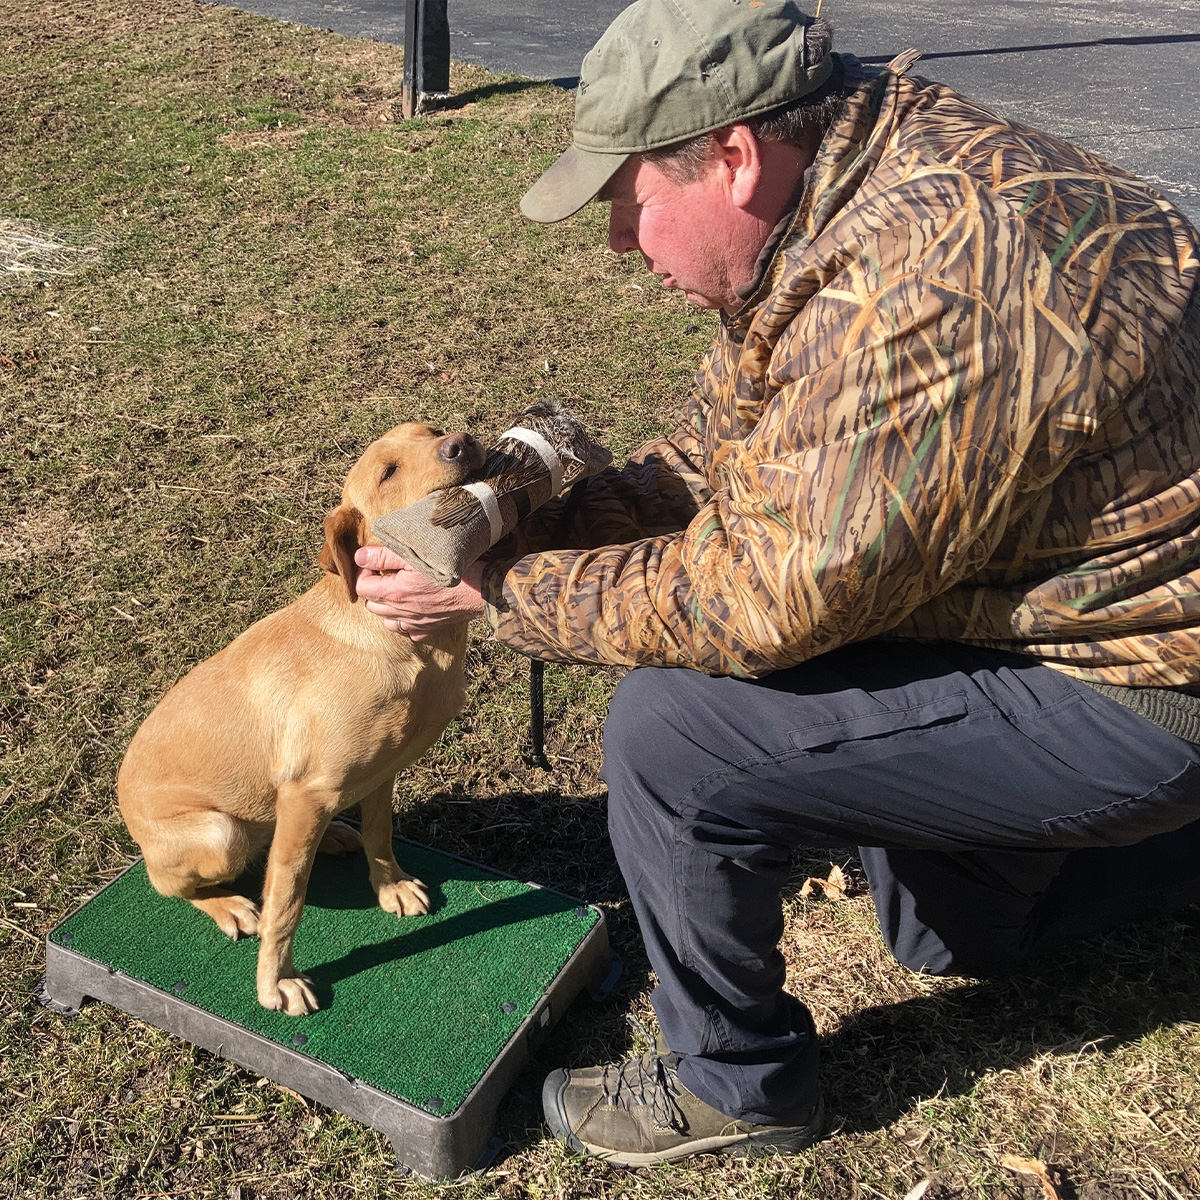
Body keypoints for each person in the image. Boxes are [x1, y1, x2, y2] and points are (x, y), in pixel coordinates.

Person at [354, 0, 1200, 1167]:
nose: (620, 241)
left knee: (677, 733)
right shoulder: (850, 180)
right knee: (952, 939)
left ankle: (737, 1087)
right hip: (1036, 596)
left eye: (632, 199)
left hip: (1146, 679)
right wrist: (529, 524)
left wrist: (502, 596)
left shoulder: (927, 283)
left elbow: (761, 599)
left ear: (736, 157)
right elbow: (729, 457)